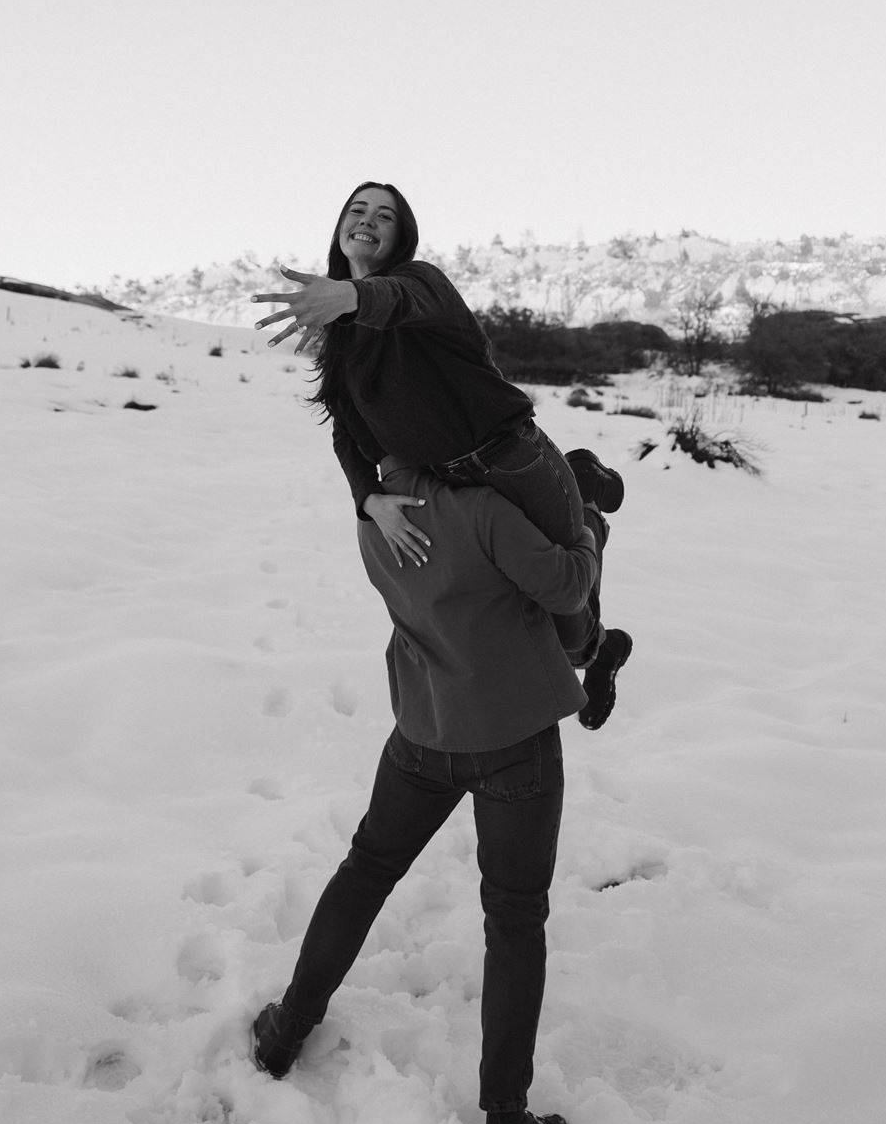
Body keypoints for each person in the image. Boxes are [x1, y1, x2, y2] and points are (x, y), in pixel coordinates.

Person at [251, 453, 610, 1124]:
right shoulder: (482, 510)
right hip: (514, 740)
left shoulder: (375, 511)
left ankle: (286, 1030)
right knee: (514, 917)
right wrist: (591, 532)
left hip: (424, 727)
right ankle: (505, 1120)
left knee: (366, 868)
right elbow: (566, 584)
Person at [254, 181, 632, 727]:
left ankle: (587, 512)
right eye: (357, 210)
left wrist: (351, 296)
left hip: (514, 460)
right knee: (531, 608)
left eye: (384, 215)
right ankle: (598, 647)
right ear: (341, 229)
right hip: (447, 488)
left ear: (401, 236)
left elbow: (397, 299)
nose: (368, 220)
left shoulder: (421, 284)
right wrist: (369, 499)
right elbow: (343, 426)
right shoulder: (338, 335)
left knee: (567, 610)